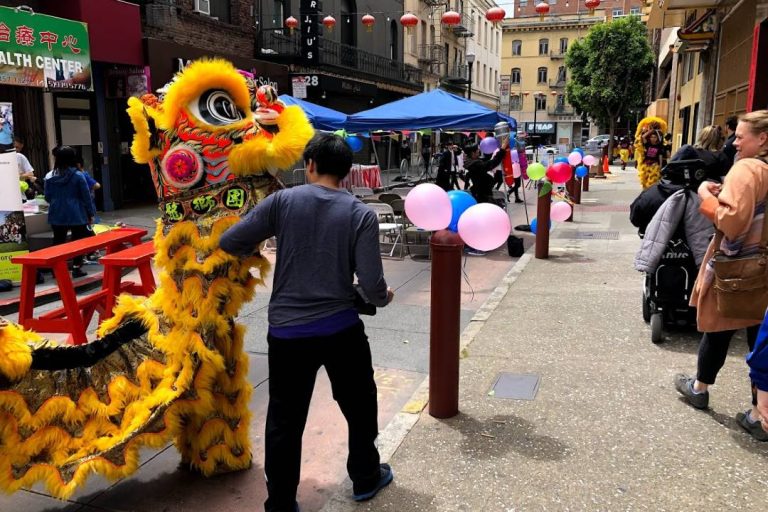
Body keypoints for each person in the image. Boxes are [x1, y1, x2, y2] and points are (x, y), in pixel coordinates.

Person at [219, 133, 395, 512]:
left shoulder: (283, 202)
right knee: (359, 404)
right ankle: (365, 475)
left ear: (310, 165)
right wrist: (382, 298)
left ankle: (281, 503)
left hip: (287, 332)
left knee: (285, 418)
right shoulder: (360, 214)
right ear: (347, 174)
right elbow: (371, 283)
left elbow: (231, 240)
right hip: (341, 329)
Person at [675, 110, 768, 442]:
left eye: (741, 137)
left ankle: (700, 387)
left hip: (737, 263)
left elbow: (731, 221)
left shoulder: (746, 168)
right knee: (761, 338)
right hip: (763, 267)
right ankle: (758, 410)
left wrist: (705, 195)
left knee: (719, 327)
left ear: (762, 139)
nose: (735, 143)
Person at [44, 146, 96, 279]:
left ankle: (56, 269)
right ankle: (76, 268)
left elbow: (47, 197)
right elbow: (86, 197)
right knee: (78, 242)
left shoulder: (50, 176)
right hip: (76, 213)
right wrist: (91, 213)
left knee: (58, 241)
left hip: (56, 212)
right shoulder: (78, 176)